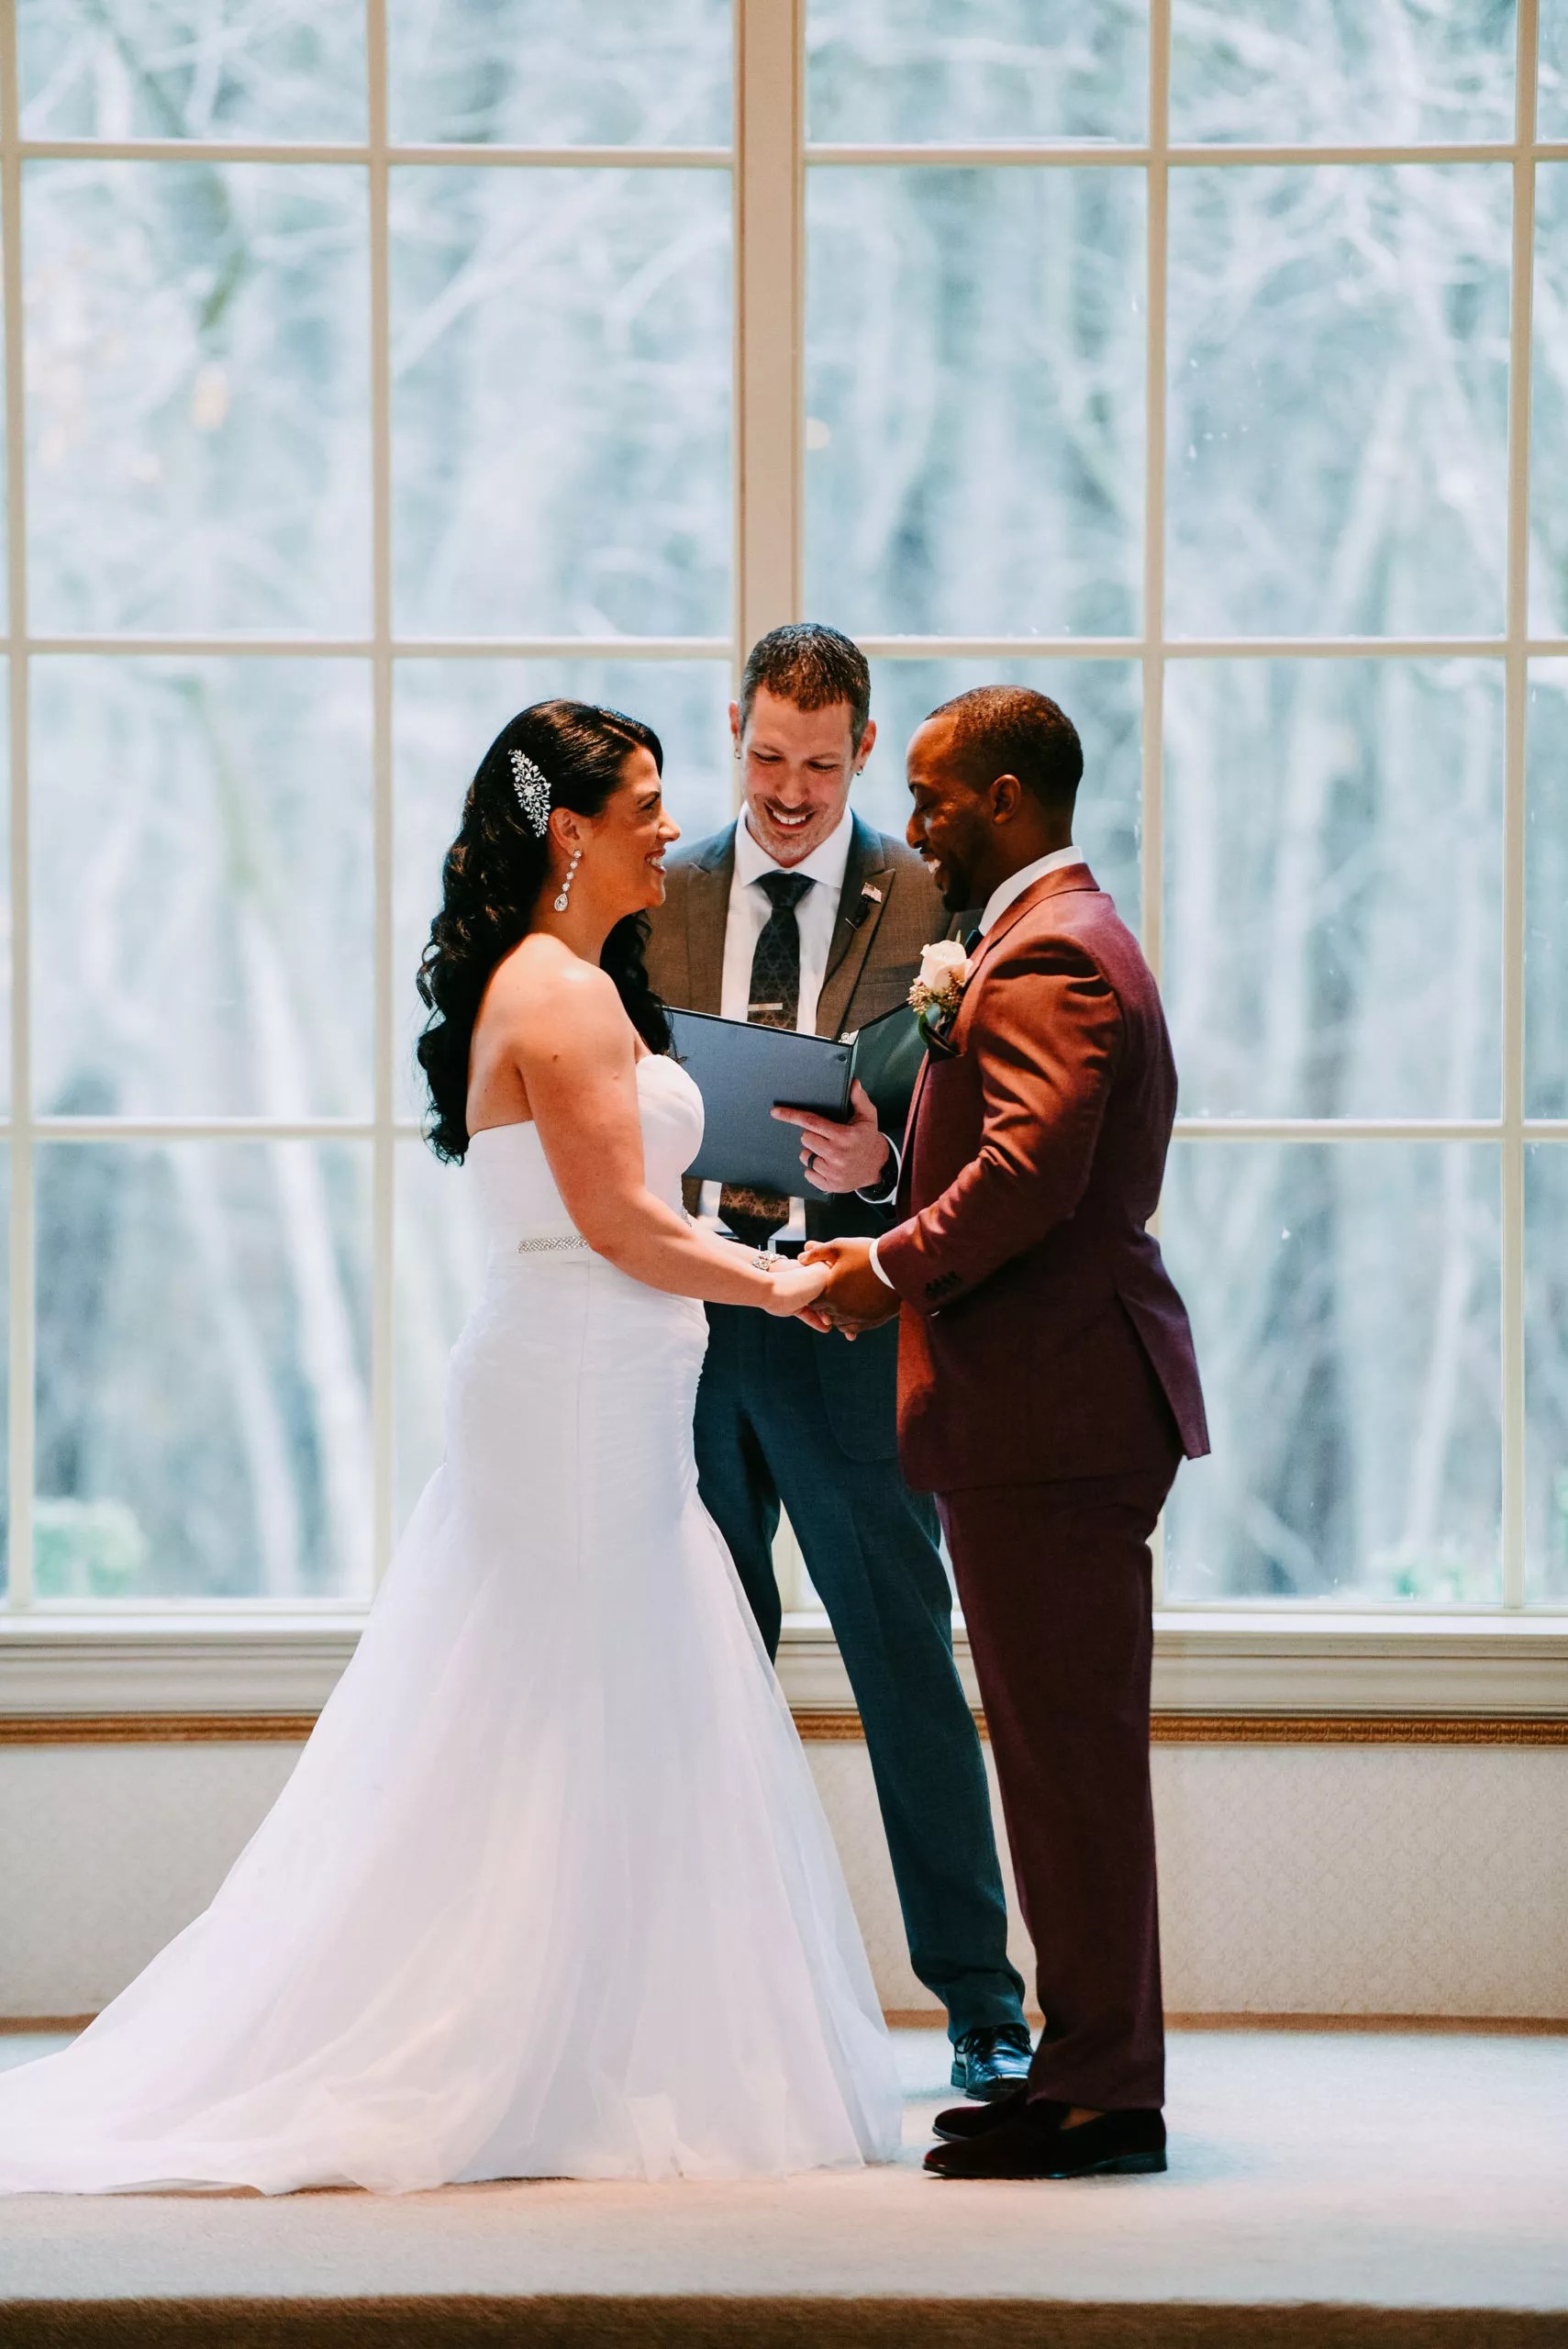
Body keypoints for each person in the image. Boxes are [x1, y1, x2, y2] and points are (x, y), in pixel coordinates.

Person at [0, 700, 901, 2194]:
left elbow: (621, 1206)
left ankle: (605, 2030)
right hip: (574, 1402)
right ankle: (517, 2041)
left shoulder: (565, 982)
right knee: (551, 1703)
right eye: (644, 805)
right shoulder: (558, 997)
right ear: (572, 829)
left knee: (612, 1697)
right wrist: (787, 1284)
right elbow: (615, 1225)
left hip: (602, 1389)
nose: (667, 830)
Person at [805, 686, 1209, 2181]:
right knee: (1051, 1755)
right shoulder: (1052, 938)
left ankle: (1107, 2094)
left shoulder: (1052, 954)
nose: (909, 825)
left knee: (1069, 1758)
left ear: (1008, 797)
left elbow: (1030, 1175)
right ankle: (1079, 2065)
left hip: (1055, 1409)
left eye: (928, 796)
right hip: (1038, 1408)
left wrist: (878, 1267)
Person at [644, 626, 1031, 2102]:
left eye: (819, 764)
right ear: (730, 731)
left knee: (902, 1666)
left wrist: (879, 1168)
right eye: (763, 759)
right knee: (690, 1668)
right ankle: (697, 2000)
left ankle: (982, 2003)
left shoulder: (935, 897)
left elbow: (984, 1124)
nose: (789, 792)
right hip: (676, 1338)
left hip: (845, 1322)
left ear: (862, 749)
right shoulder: (658, 893)